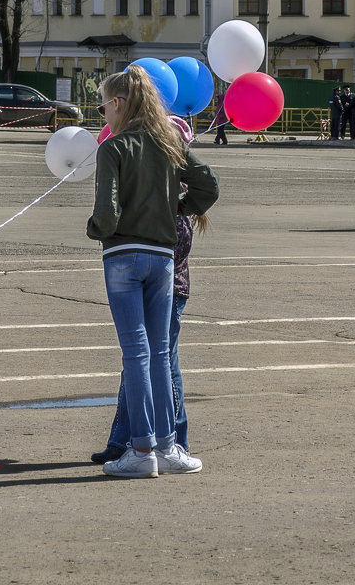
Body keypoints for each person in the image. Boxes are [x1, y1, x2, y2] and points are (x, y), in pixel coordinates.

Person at [87, 66, 219, 477]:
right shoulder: (170, 142)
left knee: (136, 354)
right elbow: (208, 186)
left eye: (104, 105)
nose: (103, 113)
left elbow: (106, 214)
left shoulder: (113, 147)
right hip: (162, 257)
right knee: (161, 353)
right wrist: (175, 209)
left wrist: (97, 229)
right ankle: (169, 447)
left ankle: (141, 451)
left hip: (123, 255)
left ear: (119, 104)